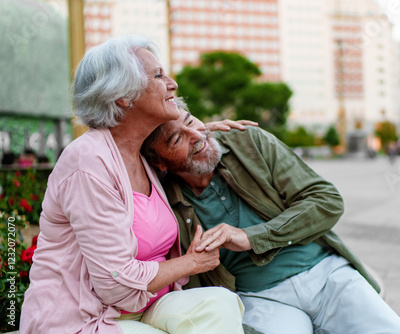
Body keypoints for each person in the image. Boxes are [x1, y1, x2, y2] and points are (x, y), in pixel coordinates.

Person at [20, 36, 245, 334]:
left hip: (145, 308)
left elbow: (177, 149)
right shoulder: (87, 161)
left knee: (219, 303)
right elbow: (115, 283)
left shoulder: (140, 157)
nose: (173, 83)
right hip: (85, 319)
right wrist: (191, 263)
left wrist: (201, 131)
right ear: (122, 97)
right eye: (158, 75)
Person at [141, 102, 400, 334]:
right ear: (159, 163)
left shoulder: (248, 142)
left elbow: (326, 200)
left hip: (325, 274)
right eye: (177, 139)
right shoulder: (161, 198)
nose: (196, 135)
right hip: (260, 298)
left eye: (192, 121)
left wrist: (251, 237)